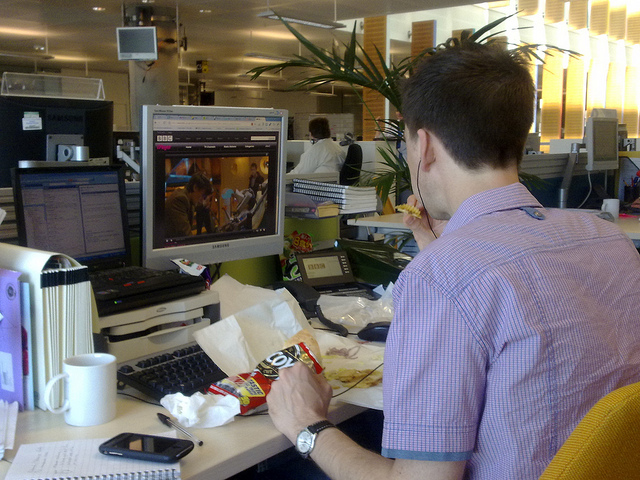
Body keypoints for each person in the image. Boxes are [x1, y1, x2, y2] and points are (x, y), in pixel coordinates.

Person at [266, 42, 640, 479]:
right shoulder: (606, 238)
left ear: (423, 146)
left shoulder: (444, 279)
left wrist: (305, 424)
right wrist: (444, 261)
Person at [164, 171, 213, 238]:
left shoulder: (188, 197)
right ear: (195, 187)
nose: (202, 200)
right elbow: (185, 233)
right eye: (203, 195)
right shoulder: (180, 199)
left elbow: (200, 206)